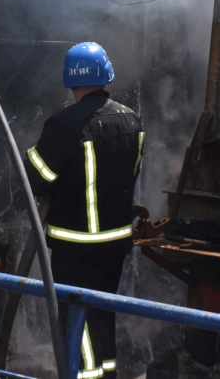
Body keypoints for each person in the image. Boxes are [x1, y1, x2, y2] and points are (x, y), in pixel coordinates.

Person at [24, 42, 144, 379]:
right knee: (103, 314)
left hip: (76, 245)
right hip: (116, 242)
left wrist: (32, 153)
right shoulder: (132, 120)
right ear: (106, 75)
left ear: (71, 81)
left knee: (77, 319)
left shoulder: (65, 124)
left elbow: (36, 178)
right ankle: (108, 375)